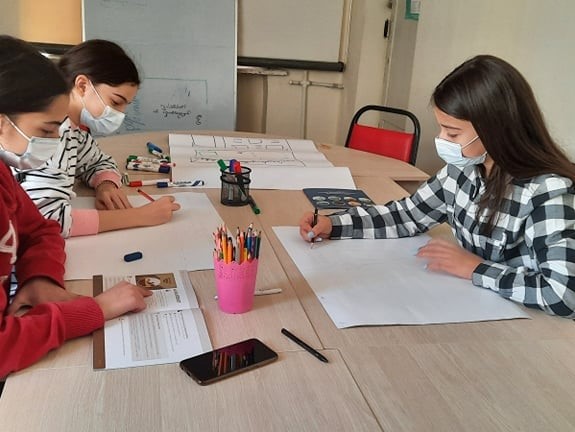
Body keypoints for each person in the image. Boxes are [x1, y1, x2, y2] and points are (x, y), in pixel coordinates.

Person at [300, 55, 575, 317]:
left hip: (535, 327)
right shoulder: (462, 170)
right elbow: (408, 215)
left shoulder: (549, 192)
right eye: (442, 129)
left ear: (495, 130)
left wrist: (475, 269)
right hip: (474, 307)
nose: (442, 140)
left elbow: (563, 295)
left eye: (452, 133)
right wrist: (334, 224)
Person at [0, 35, 153, 378]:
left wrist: (39, 278)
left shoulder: (4, 174)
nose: (58, 140)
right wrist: (94, 310)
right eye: (47, 130)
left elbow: (40, 228)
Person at [15, 39, 180, 237]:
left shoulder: (75, 130)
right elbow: (48, 220)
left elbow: (98, 162)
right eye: (116, 102)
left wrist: (105, 185)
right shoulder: (51, 135)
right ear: (83, 85)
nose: (120, 114)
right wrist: (140, 216)